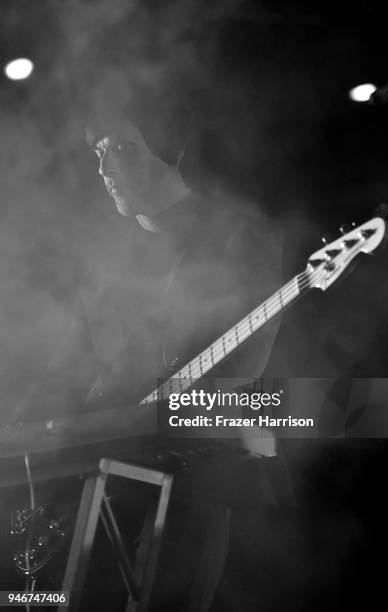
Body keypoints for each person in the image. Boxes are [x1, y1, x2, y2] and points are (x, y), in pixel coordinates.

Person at [16, 77, 294, 610]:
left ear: (173, 152)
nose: (104, 168)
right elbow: (68, 366)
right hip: (93, 477)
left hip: (192, 479)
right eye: (98, 151)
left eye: (123, 148)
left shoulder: (243, 235)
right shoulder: (101, 259)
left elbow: (237, 379)